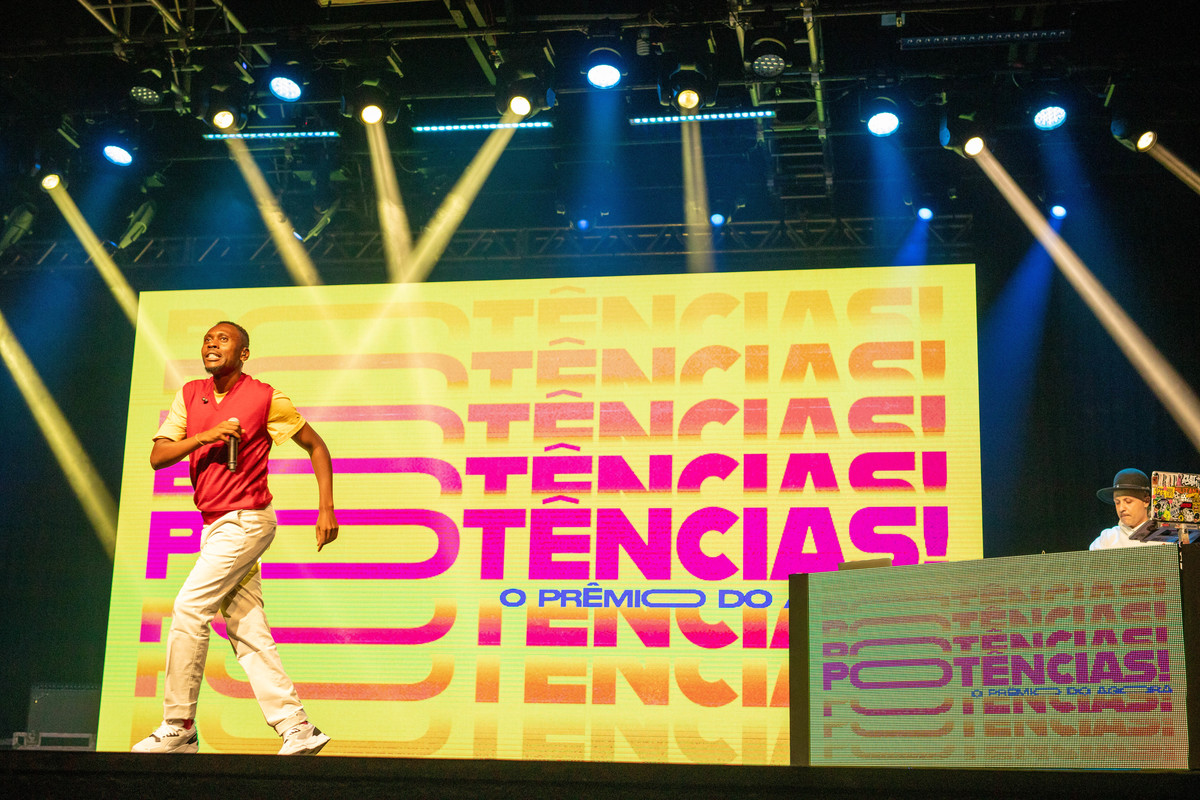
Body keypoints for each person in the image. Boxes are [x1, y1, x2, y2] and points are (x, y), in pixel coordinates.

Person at [132, 321, 339, 755]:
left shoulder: (265, 397)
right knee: (247, 627)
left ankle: (179, 724)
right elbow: (158, 456)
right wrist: (203, 437)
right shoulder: (191, 394)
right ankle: (297, 726)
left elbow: (316, 445)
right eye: (207, 338)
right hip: (214, 525)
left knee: (189, 608)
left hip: (246, 520)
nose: (212, 343)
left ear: (243, 354)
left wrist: (326, 507)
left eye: (223, 339)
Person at [1089, 468, 1169, 550]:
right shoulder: (1107, 539)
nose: (1121, 508)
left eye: (1128, 501)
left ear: (1146, 501)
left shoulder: (1167, 538)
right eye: (1117, 502)